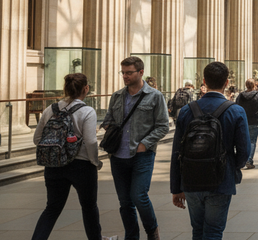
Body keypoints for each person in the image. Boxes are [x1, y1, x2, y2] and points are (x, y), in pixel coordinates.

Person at [170, 61, 250, 240]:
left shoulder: (186, 111)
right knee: (213, 232)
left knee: (197, 230)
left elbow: (177, 152)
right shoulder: (236, 111)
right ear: (227, 82)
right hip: (221, 180)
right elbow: (244, 151)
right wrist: (232, 167)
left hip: (191, 179)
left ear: (204, 81)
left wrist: (176, 187)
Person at [101, 56, 169, 240]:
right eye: (123, 72)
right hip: (117, 156)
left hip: (142, 155)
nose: (125, 76)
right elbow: (107, 119)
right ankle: (131, 236)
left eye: (129, 72)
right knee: (125, 202)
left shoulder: (155, 96)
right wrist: (110, 129)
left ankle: (152, 231)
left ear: (141, 72)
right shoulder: (117, 96)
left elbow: (163, 125)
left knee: (139, 195)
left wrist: (144, 144)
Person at [31, 73, 103, 240]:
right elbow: (91, 141)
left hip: (54, 165)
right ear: (86, 88)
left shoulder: (50, 109)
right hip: (82, 166)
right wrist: (95, 161)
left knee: (52, 209)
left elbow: (37, 139)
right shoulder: (87, 111)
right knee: (89, 207)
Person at [235, 79, 258, 169]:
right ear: (254, 85)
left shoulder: (240, 95)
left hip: (242, 121)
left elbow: (236, 107)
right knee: (252, 141)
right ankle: (249, 160)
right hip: (254, 121)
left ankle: (241, 160)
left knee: (242, 141)